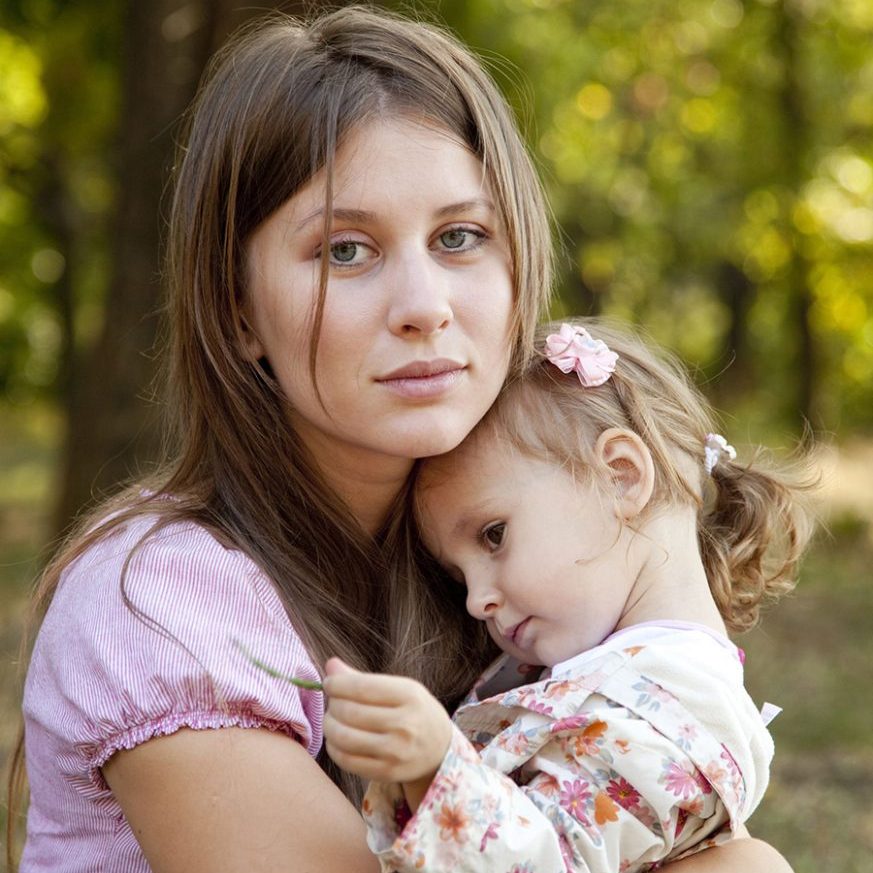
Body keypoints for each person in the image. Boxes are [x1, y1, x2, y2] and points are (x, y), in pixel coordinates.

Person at [10, 6, 797, 872]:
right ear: (239, 313)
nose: (424, 305)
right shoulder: (161, 605)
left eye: (460, 237)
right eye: (345, 250)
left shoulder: (513, 578)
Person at [323, 319, 814, 872]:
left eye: (493, 535)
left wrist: (437, 768)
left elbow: (549, 859)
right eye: (460, 578)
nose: (476, 601)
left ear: (621, 477)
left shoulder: (672, 712)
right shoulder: (617, 672)